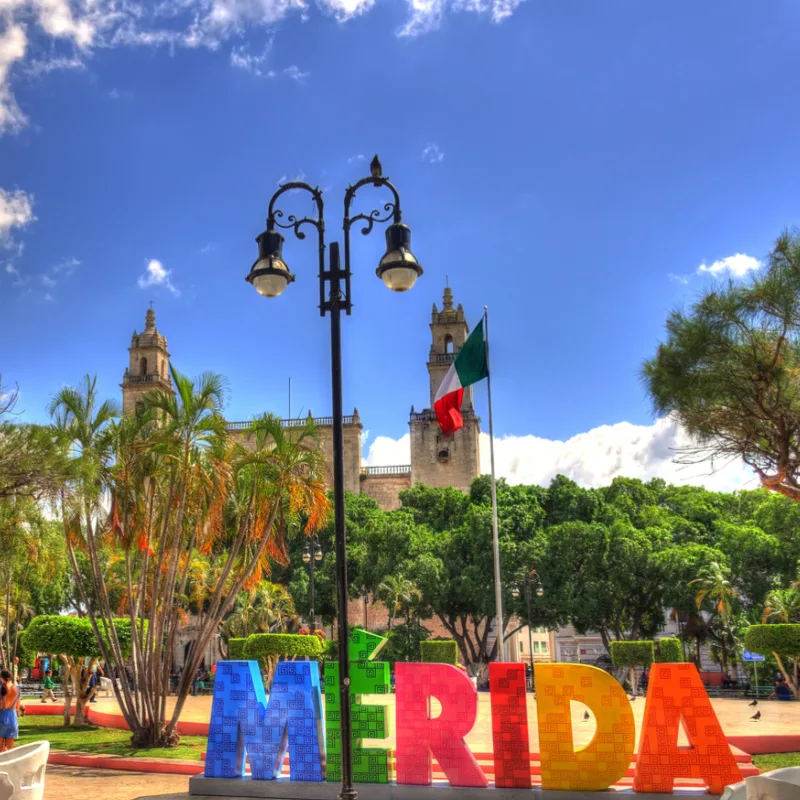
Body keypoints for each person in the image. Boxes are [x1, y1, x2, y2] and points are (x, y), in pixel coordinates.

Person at [0, 669, 20, 752]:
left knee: (0, 747)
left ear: (1, 678)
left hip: (1, 716)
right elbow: (17, 707)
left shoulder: (1, 688)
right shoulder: (17, 689)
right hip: (13, 717)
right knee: (10, 749)